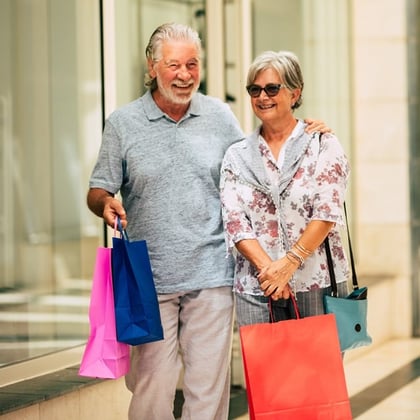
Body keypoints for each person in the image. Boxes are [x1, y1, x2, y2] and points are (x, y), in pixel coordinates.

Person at [87, 23, 330, 420]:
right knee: (152, 387)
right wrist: (105, 203)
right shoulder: (122, 123)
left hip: (212, 274)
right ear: (152, 67)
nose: (184, 75)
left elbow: (260, 154)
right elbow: (98, 189)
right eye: (173, 65)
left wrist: (307, 131)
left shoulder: (218, 115)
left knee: (208, 390)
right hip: (149, 279)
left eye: (192, 64)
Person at [220, 50, 350, 330]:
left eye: (272, 88)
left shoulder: (322, 145)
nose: (262, 97)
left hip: (316, 283)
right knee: (263, 374)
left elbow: (327, 212)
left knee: (316, 374)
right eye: (254, 89)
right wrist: (272, 273)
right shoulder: (236, 155)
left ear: (294, 93)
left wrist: (289, 265)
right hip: (258, 287)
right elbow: (235, 222)